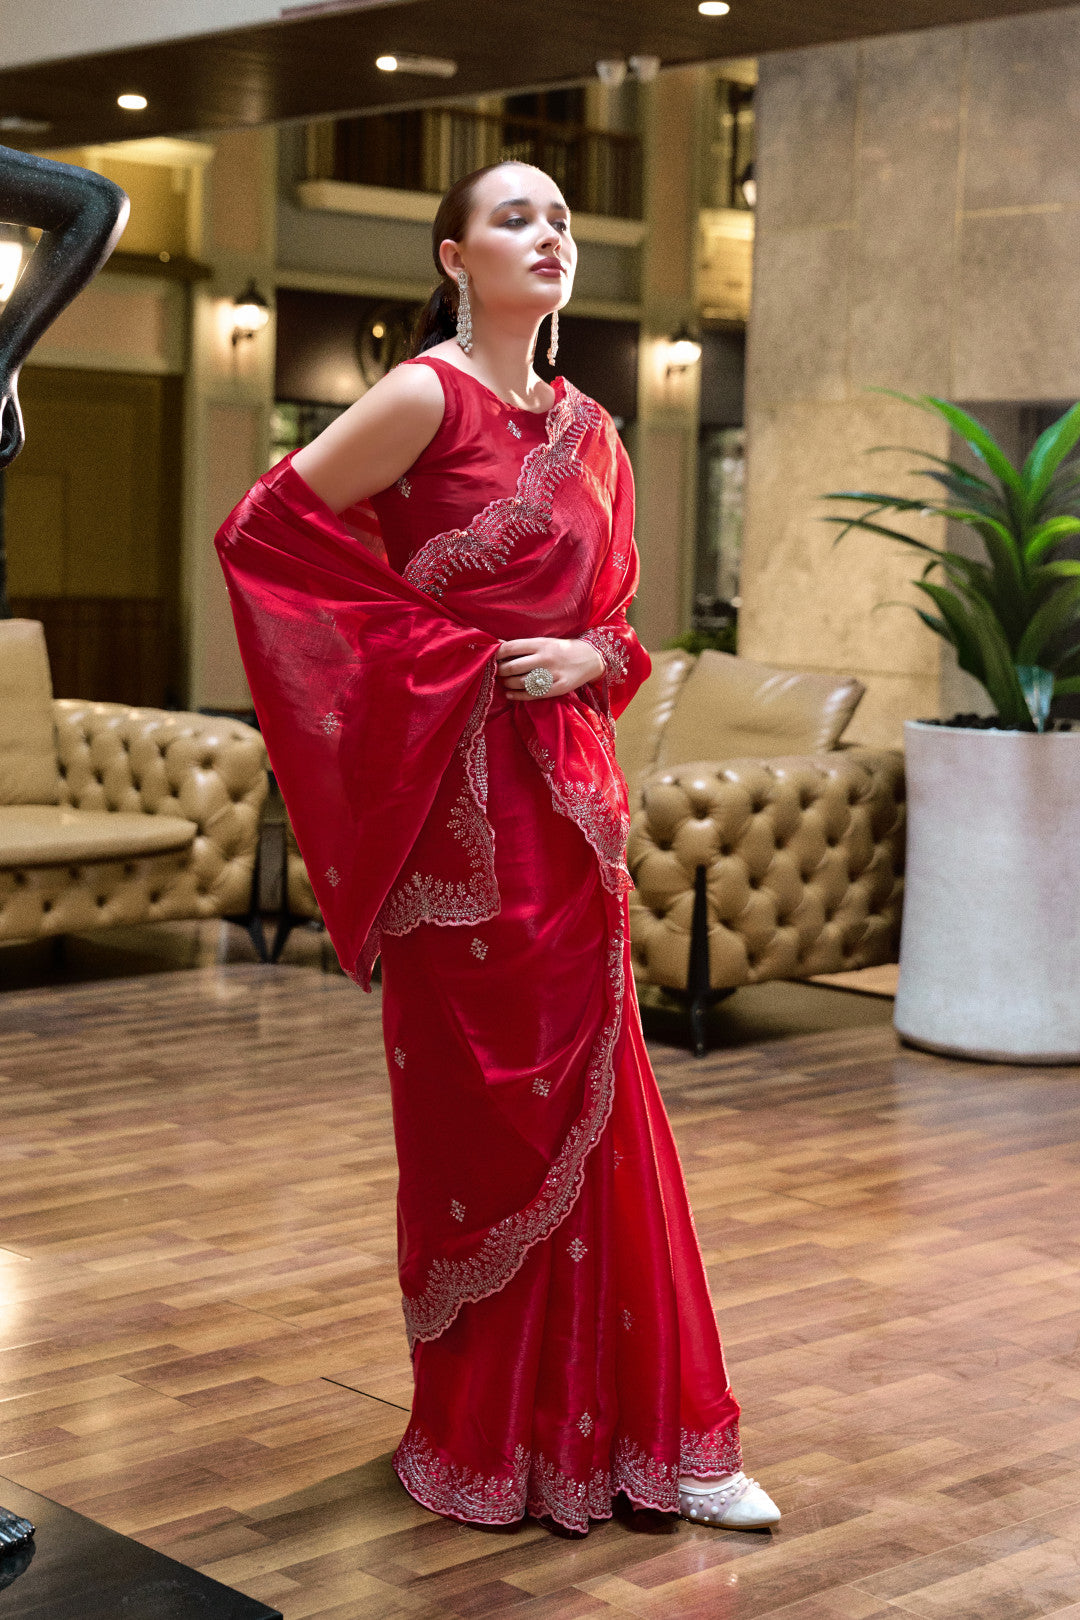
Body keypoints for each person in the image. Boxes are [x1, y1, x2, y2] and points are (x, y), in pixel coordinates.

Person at [215, 161, 780, 1536]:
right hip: (456, 832)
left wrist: (589, 651)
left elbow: (625, 626)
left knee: (612, 1130)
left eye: (565, 221)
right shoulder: (423, 397)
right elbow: (265, 540)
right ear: (455, 254)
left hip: (575, 821)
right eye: (516, 218)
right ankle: (485, 1436)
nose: (549, 238)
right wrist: (452, 664)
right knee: (492, 1130)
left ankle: (657, 1439)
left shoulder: (595, 431)